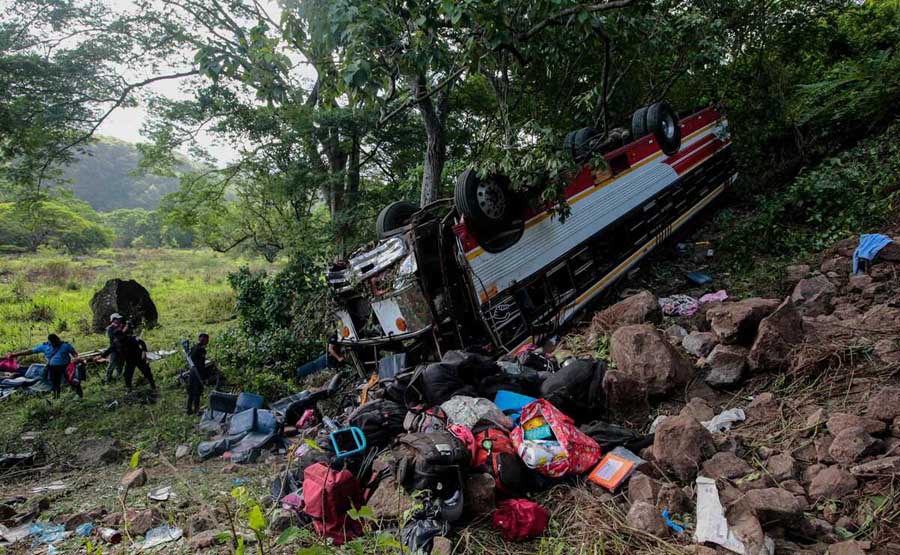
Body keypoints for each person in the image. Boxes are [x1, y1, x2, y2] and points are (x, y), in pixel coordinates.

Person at [8, 334, 78, 399]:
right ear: (49, 342)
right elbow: (30, 351)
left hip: (65, 367)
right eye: (52, 343)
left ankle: (76, 393)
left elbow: (74, 353)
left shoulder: (65, 346)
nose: (54, 344)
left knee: (70, 380)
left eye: (55, 342)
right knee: (54, 382)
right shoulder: (44, 346)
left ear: (58, 340)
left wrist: (75, 358)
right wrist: (15, 355)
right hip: (52, 368)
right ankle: (56, 396)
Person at [112, 327, 157, 395]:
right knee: (127, 375)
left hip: (139, 358)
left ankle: (153, 386)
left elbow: (142, 342)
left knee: (146, 371)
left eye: (118, 337)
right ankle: (129, 388)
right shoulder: (116, 342)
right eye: (116, 337)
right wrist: (102, 356)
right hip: (129, 360)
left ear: (122, 335)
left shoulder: (131, 338)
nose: (117, 338)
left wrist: (144, 352)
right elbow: (111, 349)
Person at [187, 333, 209, 415]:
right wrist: (204, 377)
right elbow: (201, 365)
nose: (207, 341)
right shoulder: (202, 350)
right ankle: (196, 410)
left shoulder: (194, 347)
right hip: (197, 373)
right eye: (206, 340)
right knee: (197, 392)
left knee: (191, 391)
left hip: (192, 371)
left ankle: (189, 409)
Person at [104, 313, 126, 382]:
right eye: (117, 319)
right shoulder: (110, 328)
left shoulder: (120, 326)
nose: (119, 320)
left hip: (122, 349)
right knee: (112, 364)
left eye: (119, 319)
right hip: (114, 349)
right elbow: (116, 338)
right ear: (113, 320)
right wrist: (122, 330)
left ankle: (118, 378)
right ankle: (107, 379)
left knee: (120, 365)